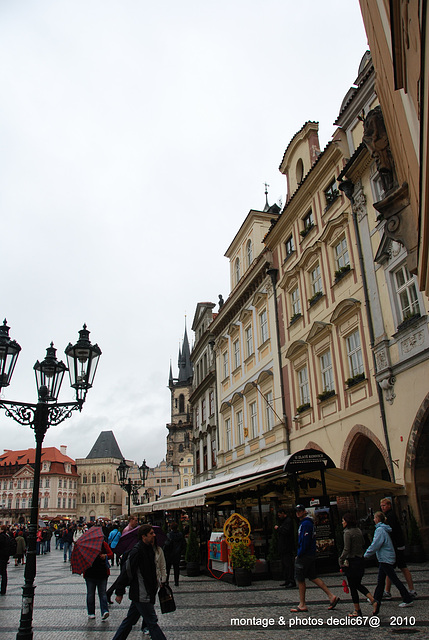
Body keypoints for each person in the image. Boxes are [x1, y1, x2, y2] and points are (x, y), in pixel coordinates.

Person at [112, 524, 168, 640]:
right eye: (151, 533)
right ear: (144, 536)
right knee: (152, 622)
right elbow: (126, 571)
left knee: (130, 621)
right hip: (142, 592)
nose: (154, 535)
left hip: (144, 592)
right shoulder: (137, 551)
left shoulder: (149, 550)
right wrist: (119, 591)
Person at [290, 504, 340, 613]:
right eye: (296, 511)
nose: (298, 513)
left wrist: (299, 554)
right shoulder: (305, 523)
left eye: (300, 511)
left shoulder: (306, 524)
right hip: (309, 554)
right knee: (313, 577)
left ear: (304, 511)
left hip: (305, 555)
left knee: (300, 579)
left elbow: (305, 541)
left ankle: (302, 604)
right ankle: (331, 596)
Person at [364, 511, 413, 614]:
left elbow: (375, 544)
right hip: (385, 558)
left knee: (394, 579)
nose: (373, 519)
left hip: (386, 558)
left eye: (374, 518)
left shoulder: (380, 530)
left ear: (378, 519)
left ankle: (407, 598)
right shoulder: (383, 529)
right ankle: (376, 599)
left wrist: (366, 555)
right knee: (381, 580)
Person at [339, 512, 375, 616]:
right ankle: (373, 600)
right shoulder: (358, 530)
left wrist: (341, 560)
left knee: (353, 587)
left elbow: (346, 549)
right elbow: (363, 542)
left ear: (347, 522)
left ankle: (357, 610)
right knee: (357, 584)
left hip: (352, 561)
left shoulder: (347, 533)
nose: (342, 522)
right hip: (360, 560)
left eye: (343, 520)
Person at [380, 498, 416, 599]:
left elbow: (391, 531)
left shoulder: (390, 516)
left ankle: (411, 590)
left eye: (384, 505)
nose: (383, 507)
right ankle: (387, 591)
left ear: (389, 505)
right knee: (390, 569)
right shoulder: (389, 515)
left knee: (401, 567)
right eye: (381, 506)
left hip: (397, 546)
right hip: (396, 545)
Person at [141, 528, 167, 635]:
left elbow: (162, 565)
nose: (153, 536)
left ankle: (146, 625)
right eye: (151, 534)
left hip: (155, 581)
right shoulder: (142, 550)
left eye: (153, 534)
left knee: (149, 604)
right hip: (144, 582)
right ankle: (149, 627)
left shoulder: (158, 550)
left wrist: (163, 580)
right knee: (148, 605)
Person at [84, 536, 113, 620]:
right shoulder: (87, 546)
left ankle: (104, 611)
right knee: (90, 594)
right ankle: (91, 612)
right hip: (90, 574)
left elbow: (111, 554)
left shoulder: (103, 544)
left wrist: (105, 555)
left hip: (102, 573)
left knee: (102, 593)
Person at [274, 508, 295, 588]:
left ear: (283, 513)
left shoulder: (288, 521)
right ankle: (287, 580)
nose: (279, 516)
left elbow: (286, 531)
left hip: (287, 547)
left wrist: (278, 528)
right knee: (285, 564)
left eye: (279, 515)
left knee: (288, 564)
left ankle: (291, 581)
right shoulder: (284, 521)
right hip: (283, 547)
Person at [164, 522, 184, 587]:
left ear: (171, 527)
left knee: (168, 569)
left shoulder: (169, 535)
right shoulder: (180, 534)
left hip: (169, 554)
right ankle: (176, 582)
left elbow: (166, 545)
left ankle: (166, 581)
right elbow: (183, 544)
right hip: (177, 554)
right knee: (176, 569)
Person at [0, 525, 12, 595]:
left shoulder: (1, 537)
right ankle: (3, 589)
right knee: (4, 573)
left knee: (2, 573)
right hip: (5, 557)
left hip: (1, 557)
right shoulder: (7, 537)